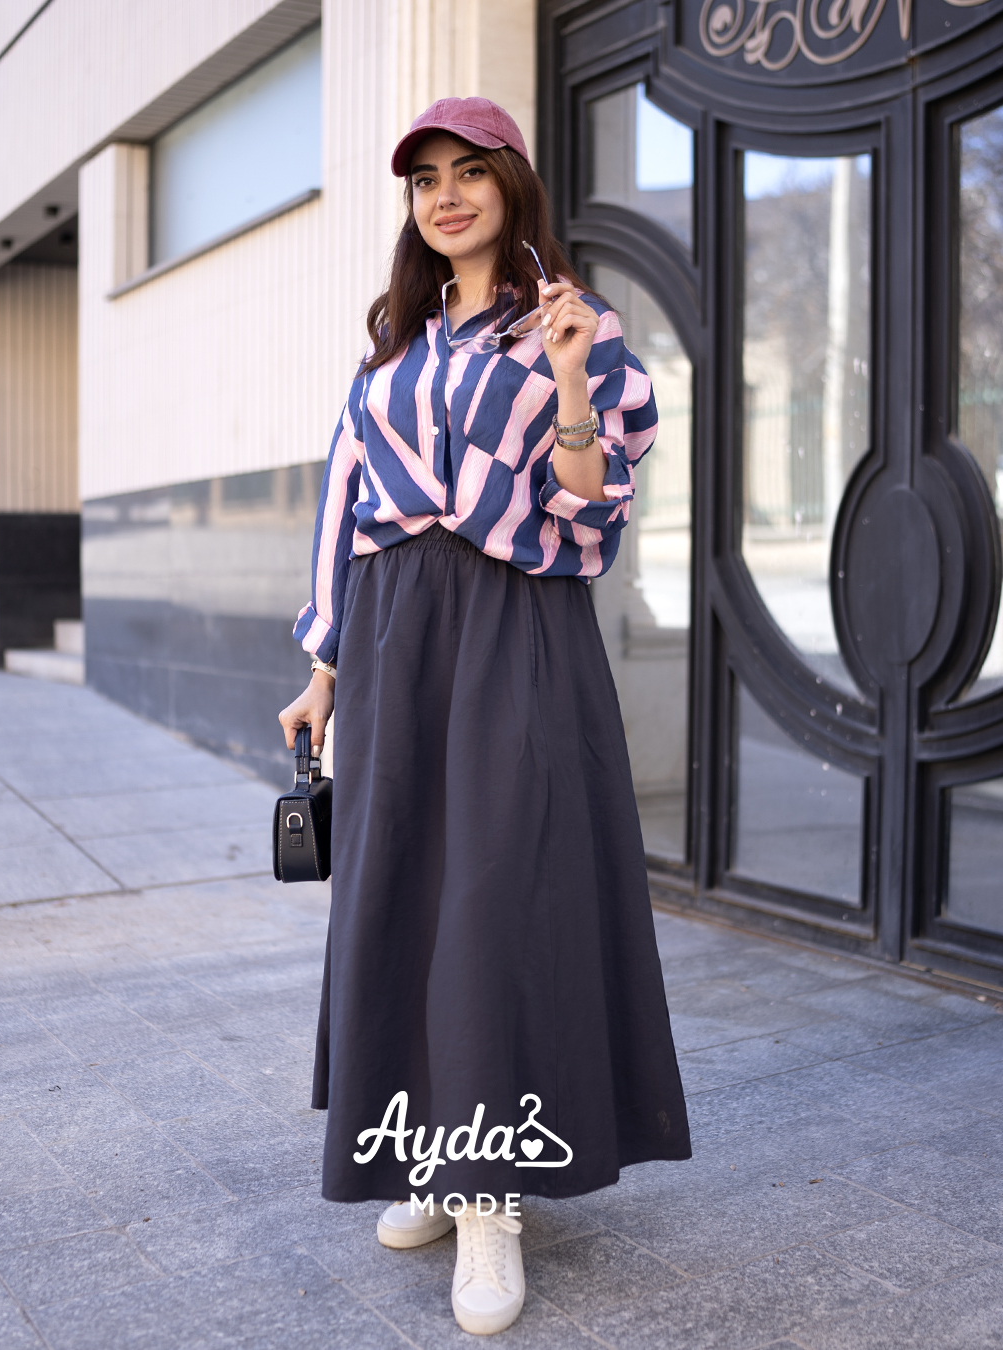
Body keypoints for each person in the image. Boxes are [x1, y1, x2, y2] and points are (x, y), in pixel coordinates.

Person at [279, 96, 690, 1337]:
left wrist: (566, 379)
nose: (447, 195)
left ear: (512, 184)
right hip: (395, 639)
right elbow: (345, 503)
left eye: (469, 171)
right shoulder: (393, 348)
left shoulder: (573, 326)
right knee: (403, 894)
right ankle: (431, 1155)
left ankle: (491, 1196)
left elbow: (593, 503)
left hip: (517, 626)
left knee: (499, 896)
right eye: (425, 180)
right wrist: (323, 666)